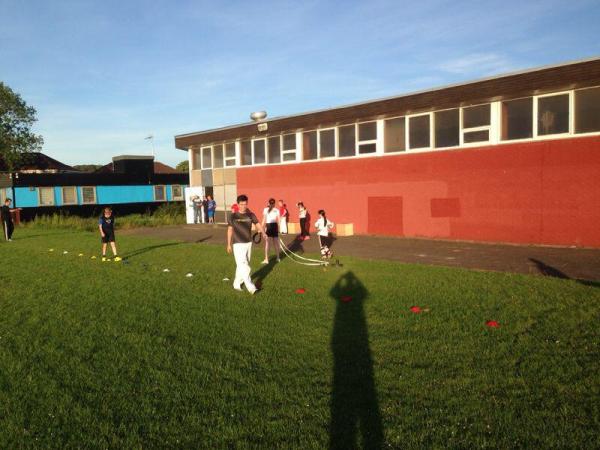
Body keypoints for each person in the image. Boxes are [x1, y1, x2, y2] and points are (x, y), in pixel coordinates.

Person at [227, 194, 265, 294]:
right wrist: (228, 244)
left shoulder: (251, 215)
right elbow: (230, 230)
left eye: (245, 204)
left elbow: (257, 224)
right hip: (237, 244)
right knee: (244, 266)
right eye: (242, 204)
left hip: (248, 243)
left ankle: (236, 284)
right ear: (238, 204)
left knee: (242, 265)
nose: (244, 206)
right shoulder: (233, 216)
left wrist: (263, 232)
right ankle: (251, 287)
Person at [261, 198, 281, 264]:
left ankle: (267, 259)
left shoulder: (266, 209)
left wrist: (261, 228)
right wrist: (279, 228)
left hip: (270, 226)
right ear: (274, 203)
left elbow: (264, 220)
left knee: (268, 244)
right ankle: (277, 258)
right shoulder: (276, 210)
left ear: (269, 203)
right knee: (275, 243)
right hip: (273, 226)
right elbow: (279, 220)